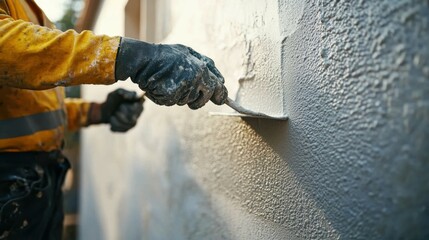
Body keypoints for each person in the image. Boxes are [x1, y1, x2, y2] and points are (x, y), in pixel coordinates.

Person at [0, 0, 228, 239]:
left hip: (36, 182)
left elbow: (35, 112)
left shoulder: (28, 9)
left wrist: (101, 111)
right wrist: (132, 56)